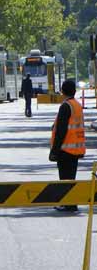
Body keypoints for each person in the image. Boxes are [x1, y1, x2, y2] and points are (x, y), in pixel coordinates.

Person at [50, 79, 85, 212]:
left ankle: (67, 203)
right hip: (76, 148)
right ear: (74, 91)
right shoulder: (77, 105)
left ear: (62, 91)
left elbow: (61, 130)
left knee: (64, 178)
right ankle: (72, 203)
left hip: (65, 148)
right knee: (71, 177)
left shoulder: (66, 106)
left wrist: (55, 150)